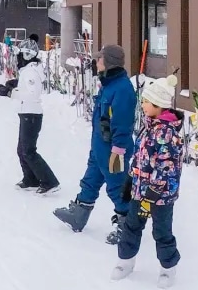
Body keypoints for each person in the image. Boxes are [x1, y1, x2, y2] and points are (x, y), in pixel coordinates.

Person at [54, 44, 137, 244]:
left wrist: (118, 151)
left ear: (108, 62)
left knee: (117, 187)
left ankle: (127, 226)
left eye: (100, 59)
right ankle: (79, 215)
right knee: (91, 179)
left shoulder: (123, 89)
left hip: (113, 149)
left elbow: (122, 122)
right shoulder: (109, 84)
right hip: (100, 146)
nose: (97, 62)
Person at [111, 74, 183, 289]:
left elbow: (167, 167)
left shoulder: (166, 133)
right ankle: (125, 262)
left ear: (159, 105)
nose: (142, 104)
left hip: (160, 197)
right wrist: (130, 179)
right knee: (132, 225)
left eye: (146, 102)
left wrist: (153, 191)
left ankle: (168, 269)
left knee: (161, 231)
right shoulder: (147, 127)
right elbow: (140, 158)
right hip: (140, 192)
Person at [13, 38, 60, 194]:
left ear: (27, 55)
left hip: (31, 114)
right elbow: (27, 87)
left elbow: (33, 94)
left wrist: (11, 93)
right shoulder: (28, 70)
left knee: (28, 151)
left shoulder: (31, 71)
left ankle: (50, 182)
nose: (18, 58)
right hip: (27, 112)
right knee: (22, 150)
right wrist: (15, 84)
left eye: (21, 55)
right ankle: (30, 179)